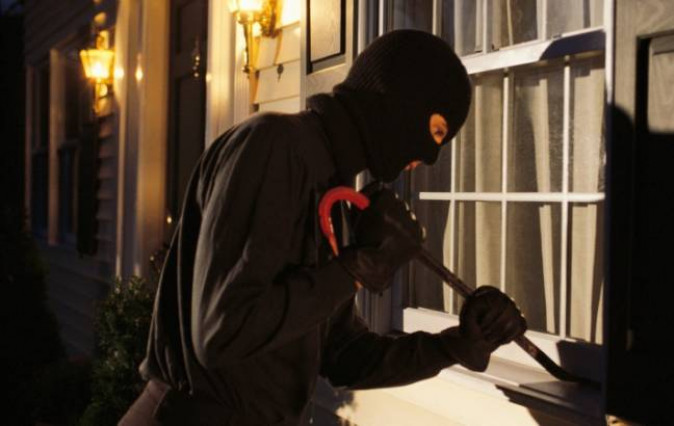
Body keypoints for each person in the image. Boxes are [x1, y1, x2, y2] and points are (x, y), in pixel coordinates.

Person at [120, 30, 527, 426]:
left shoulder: (335, 195)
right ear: (401, 102)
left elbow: (344, 354)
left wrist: (454, 345)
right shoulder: (274, 145)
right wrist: (358, 267)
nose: (431, 156)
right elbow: (222, 332)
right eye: (436, 130)